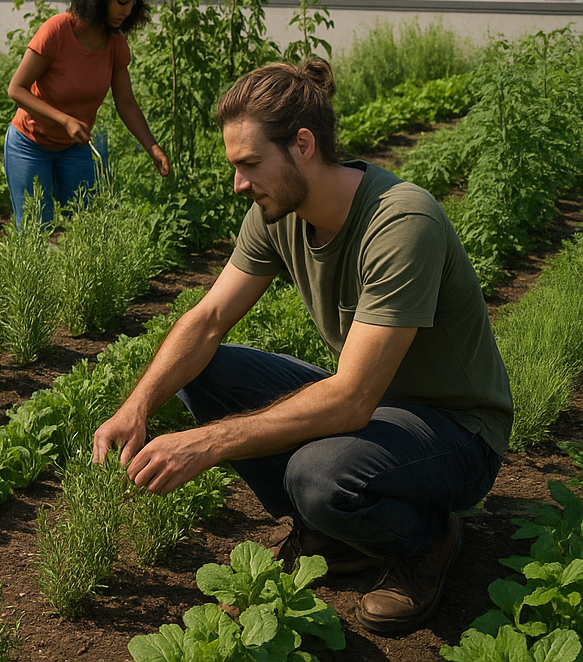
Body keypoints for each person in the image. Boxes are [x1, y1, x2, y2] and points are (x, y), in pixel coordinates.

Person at [93, 59, 511, 634]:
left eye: (249, 164)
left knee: (320, 477)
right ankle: (332, 533)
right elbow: (209, 318)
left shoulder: (401, 222)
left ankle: (426, 540)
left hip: (456, 431)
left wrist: (208, 443)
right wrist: (136, 406)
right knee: (202, 368)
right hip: (375, 403)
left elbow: (351, 400)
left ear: (304, 145)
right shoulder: (277, 212)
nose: (239, 182)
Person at [4, 0, 170, 225]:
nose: (127, 11)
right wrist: (64, 119)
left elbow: (126, 102)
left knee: (84, 224)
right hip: (29, 144)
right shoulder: (56, 31)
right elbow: (16, 89)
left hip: (75, 146)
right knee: (35, 227)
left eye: (132, 2)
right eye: (121, 1)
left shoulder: (116, 43)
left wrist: (152, 147)